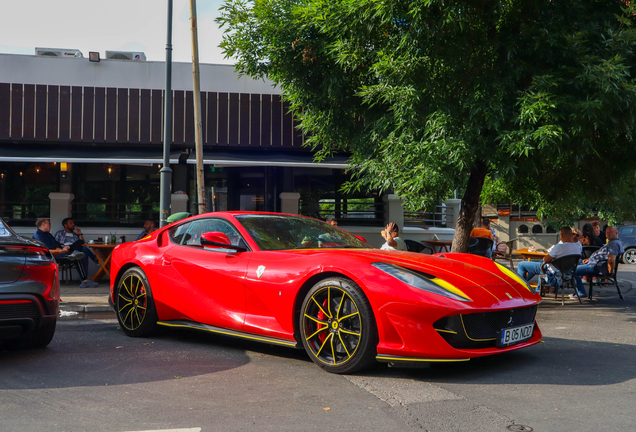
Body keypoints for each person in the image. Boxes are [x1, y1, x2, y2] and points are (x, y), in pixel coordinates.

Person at [33, 218, 99, 288]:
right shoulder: (39, 235)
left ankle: (75, 253)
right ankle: (85, 281)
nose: (50, 226)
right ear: (43, 224)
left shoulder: (48, 234)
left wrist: (63, 247)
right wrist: (60, 249)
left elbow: (56, 243)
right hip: (54, 255)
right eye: (49, 224)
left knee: (80, 244)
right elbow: (47, 247)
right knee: (78, 257)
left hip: (62, 251)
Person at [517, 227, 580, 293]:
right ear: (571, 235)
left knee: (521, 264)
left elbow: (546, 260)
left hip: (552, 272)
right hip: (567, 273)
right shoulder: (577, 248)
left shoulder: (559, 247)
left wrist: (546, 257)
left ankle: (521, 290)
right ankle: (533, 287)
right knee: (538, 264)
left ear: (561, 234)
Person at [572, 226, 624, 299]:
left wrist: (610, 272)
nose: (608, 234)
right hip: (592, 263)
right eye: (607, 233)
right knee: (575, 264)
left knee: (573, 270)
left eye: (610, 232)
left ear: (616, 233)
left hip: (595, 267)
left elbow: (611, 260)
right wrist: (589, 259)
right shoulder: (611, 242)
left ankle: (581, 293)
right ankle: (578, 290)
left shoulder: (614, 244)